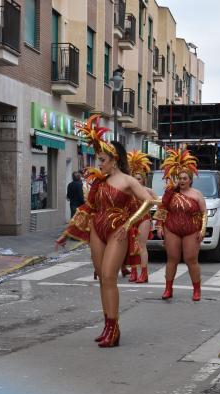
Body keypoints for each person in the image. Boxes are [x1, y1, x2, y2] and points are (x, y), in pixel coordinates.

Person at [55, 115, 156, 348]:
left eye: (102, 160)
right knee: (102, 278)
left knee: (110, 276)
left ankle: (114, 327)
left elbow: (148, 202)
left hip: (117, 230)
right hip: (96, 230)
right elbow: (87, 209)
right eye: (98, 160)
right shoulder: (98, 183)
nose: (98, 163)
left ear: (114, 160)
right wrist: (67, 233)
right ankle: (108, 326)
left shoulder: (128, 181)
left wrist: (129, 224)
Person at [154, 149, 206, 301]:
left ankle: (197, 290)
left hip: (191, 230)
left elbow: (204, 213)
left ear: (190, 179)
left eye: (185, 178)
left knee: (191, 259)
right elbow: (162, 208)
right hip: (172, 229)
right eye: (179, 178)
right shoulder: (170, 193)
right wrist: (158, 226)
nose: (182, 181)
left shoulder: (197, 194)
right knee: (172, 258)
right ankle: (168, 289)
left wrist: (202, 230)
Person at [127, 150, 157, 284]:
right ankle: (133, 272)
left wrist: (152, 212)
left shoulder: (148, 191)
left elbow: (159, 204)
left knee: (141, 246)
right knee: (131, 247)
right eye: (134, 178)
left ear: (143, 179)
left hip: (143, 220)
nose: (136, 181)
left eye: (138, 178)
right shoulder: (129, 191)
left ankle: (144, 274)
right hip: (130, 220)